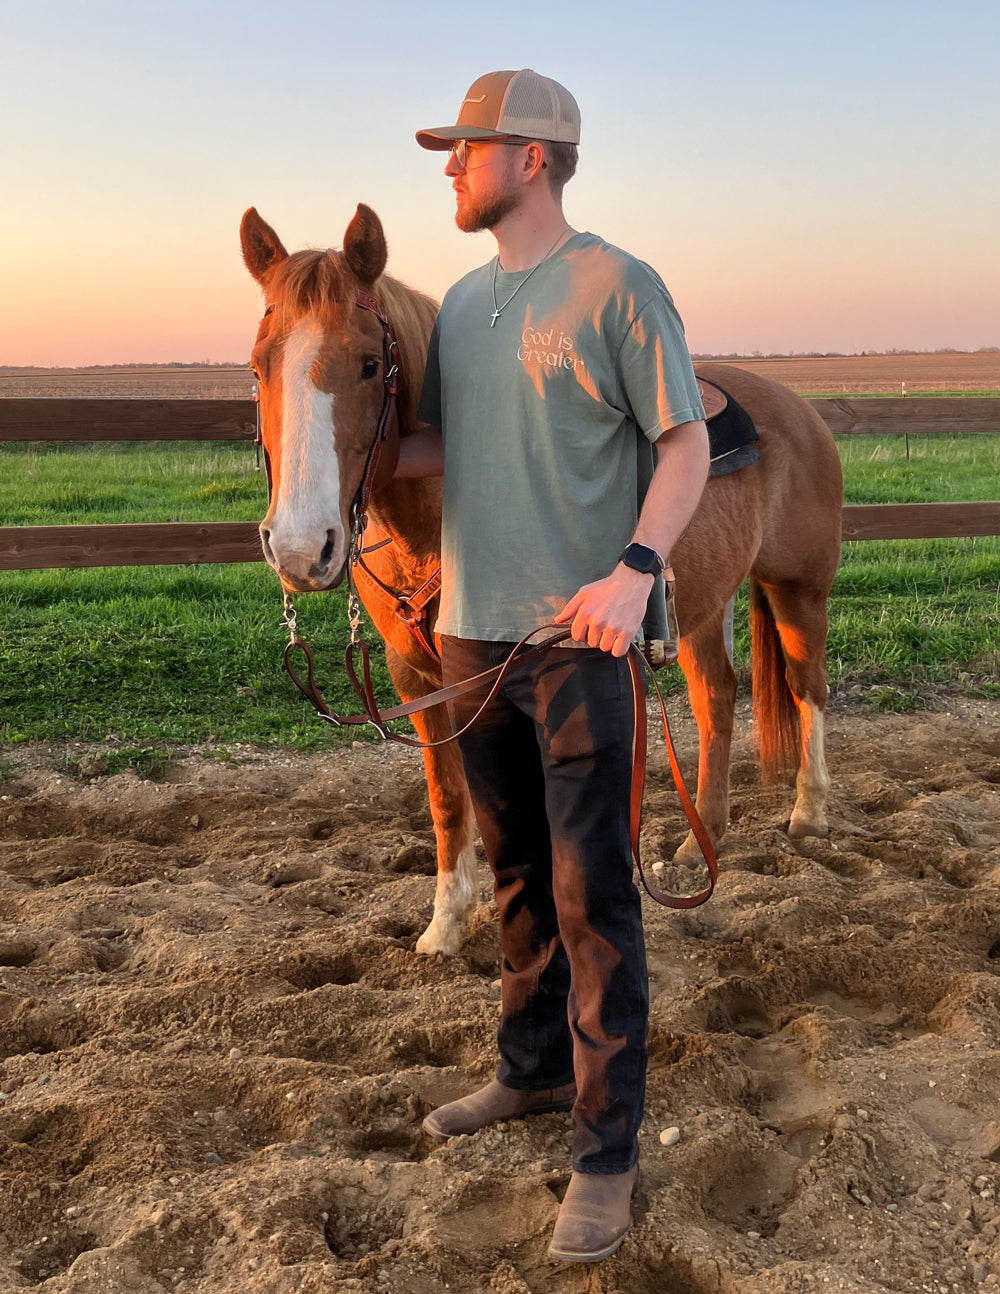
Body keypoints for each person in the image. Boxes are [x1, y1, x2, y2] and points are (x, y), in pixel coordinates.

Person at [397, 69, 710, 1263]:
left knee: (592, 893)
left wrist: (635, 568)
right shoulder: (467, 306)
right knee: (518, 871)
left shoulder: (619, 287)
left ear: (530, 157)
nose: (450, 167)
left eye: (465, 148)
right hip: (472, 638)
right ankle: (527, 1073)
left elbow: (680, 443)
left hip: (580, 642)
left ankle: (605, 1148)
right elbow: (437, 441)